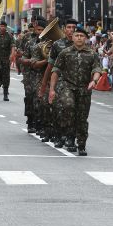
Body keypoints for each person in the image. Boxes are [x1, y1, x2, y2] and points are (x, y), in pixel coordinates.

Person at [49, 27, 102, 156]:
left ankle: (82, 144)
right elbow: (55, 71)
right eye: (76, 35)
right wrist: (52, 89)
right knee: (68, 106)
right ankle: (70, 139)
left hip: (84, 89)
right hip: (68, 86)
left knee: (82, 118)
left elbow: (97, 70)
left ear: (86, 38)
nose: (79, 38)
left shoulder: (92, 54)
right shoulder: (65, 53)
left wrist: (94, 81)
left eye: (82, 36)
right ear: (72, 38)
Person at [41, 19, 77, 148]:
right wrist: (45, 85)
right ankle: (59, 135)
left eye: (74, 27)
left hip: (77, 82)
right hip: (60, 81)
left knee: (74, 110)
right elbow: (50, 66)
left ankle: (70, 137)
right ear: (64, 29)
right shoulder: (57, 44)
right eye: (69, 27)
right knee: (60, 109)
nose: (71, 30)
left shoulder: (82, 44)